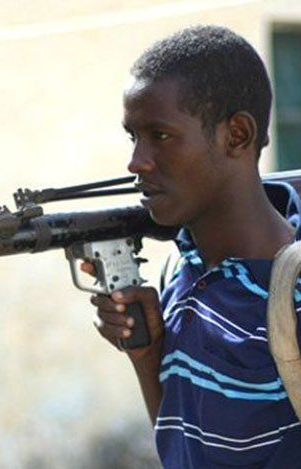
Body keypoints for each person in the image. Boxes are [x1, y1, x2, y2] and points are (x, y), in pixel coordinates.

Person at [82, 25, 301, 467]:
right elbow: (184, 453)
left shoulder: (292, 295)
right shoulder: (182, 272)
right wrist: (148, 355)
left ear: (236, 134)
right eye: (133, 137)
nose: (136, 162)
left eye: (160, 136)